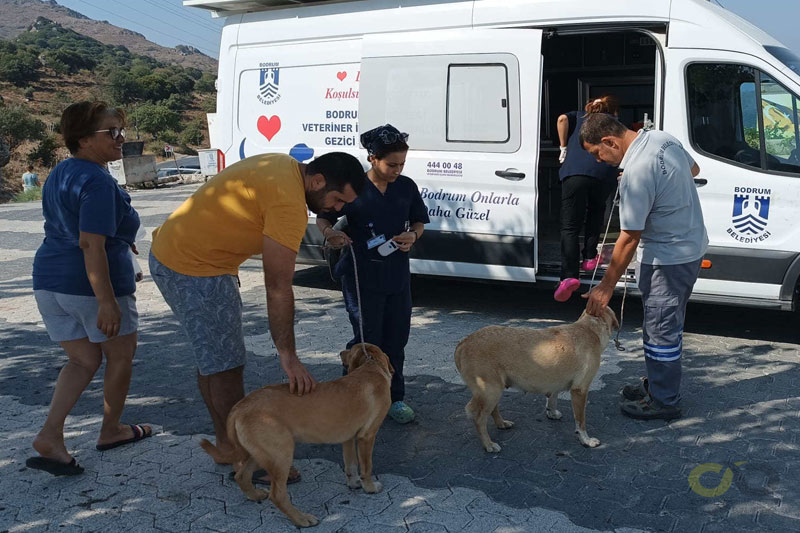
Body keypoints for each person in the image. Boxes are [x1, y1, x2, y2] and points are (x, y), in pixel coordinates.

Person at [149, 151, 365, 484]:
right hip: (193, 267)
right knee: (225, 366)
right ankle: (253, 458)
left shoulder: (283, 166)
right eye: (337, 200)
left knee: (215, 359)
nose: (337, 210)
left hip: (181, 255)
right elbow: (278, 288)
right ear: (318, 181)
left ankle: (227, 444)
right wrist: (289, 357)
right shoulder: (289, 203)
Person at [27, 101, 151, 477]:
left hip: (49, 281)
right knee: (120, 356)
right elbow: (90, 244)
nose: (121, 138)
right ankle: (111, 430)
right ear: (83, 139)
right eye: (111, 132)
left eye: (121, 130)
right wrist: (107, 301)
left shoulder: (61, 172)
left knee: (83, 360)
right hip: (88, 285)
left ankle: (50, 435)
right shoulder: (96, 179)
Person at [580, 113, 708, 421]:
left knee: (661, 330)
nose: (599, 161)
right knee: (664, 325)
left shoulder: (636, 171)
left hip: (668, 257)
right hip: (689, 246)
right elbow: (693, 168)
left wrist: (605, 286)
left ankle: (664, 401)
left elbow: (629, 237)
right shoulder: (661, 138)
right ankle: (659, 385)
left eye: (598, 153)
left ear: (609, 141)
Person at [316, 124, 429, 424]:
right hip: (361, 276)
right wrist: (330, 234)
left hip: (396, 277)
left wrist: (413, 236)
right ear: (372, 158)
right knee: (366, 343)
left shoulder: (406, 187)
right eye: (391, 164)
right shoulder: (354, 189)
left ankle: (393, 398)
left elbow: (419, 221)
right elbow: (324, 217)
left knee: (396, 341)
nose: (397, 170)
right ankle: (348, 399)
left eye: (402, 164)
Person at [554, 96, 621, 302]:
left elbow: (561, 120)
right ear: (613, 111)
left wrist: (563, 146)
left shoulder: (578, 116)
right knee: (596, 212)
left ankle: (569, 276)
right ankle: (590, 258)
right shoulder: (613, 122)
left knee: (570, 227)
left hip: (574, 175)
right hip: (603, 173)